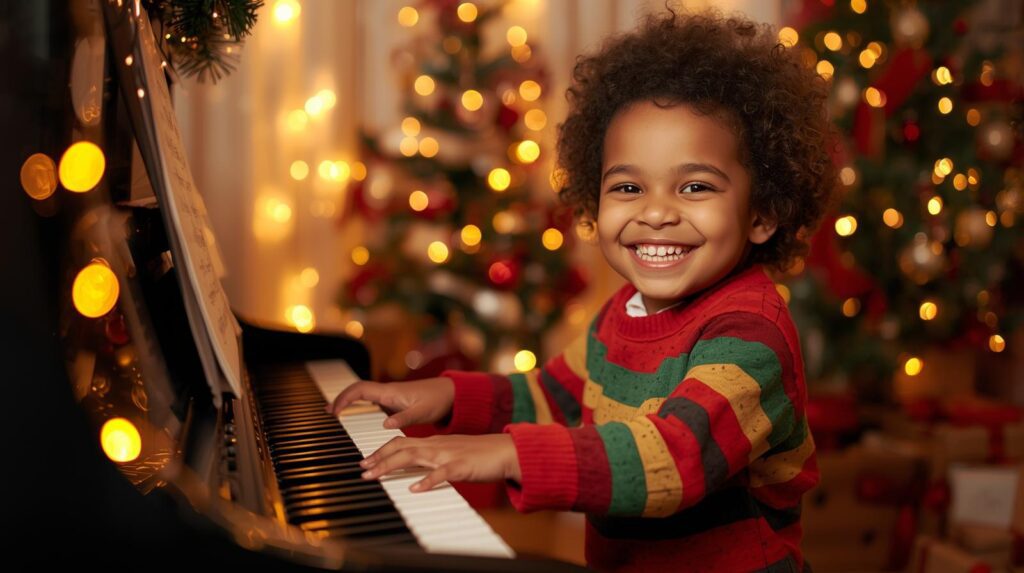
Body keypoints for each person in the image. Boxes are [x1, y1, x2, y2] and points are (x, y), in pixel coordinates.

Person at [328, 8, 837, 571]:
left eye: (695, 186)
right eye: (628, 186)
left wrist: (506, 453)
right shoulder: (625, 312)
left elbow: (677, 455)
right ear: (595, 204)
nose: (657, 212)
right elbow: (553, 395)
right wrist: (446, 397)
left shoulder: (751, 334)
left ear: (762, 211)